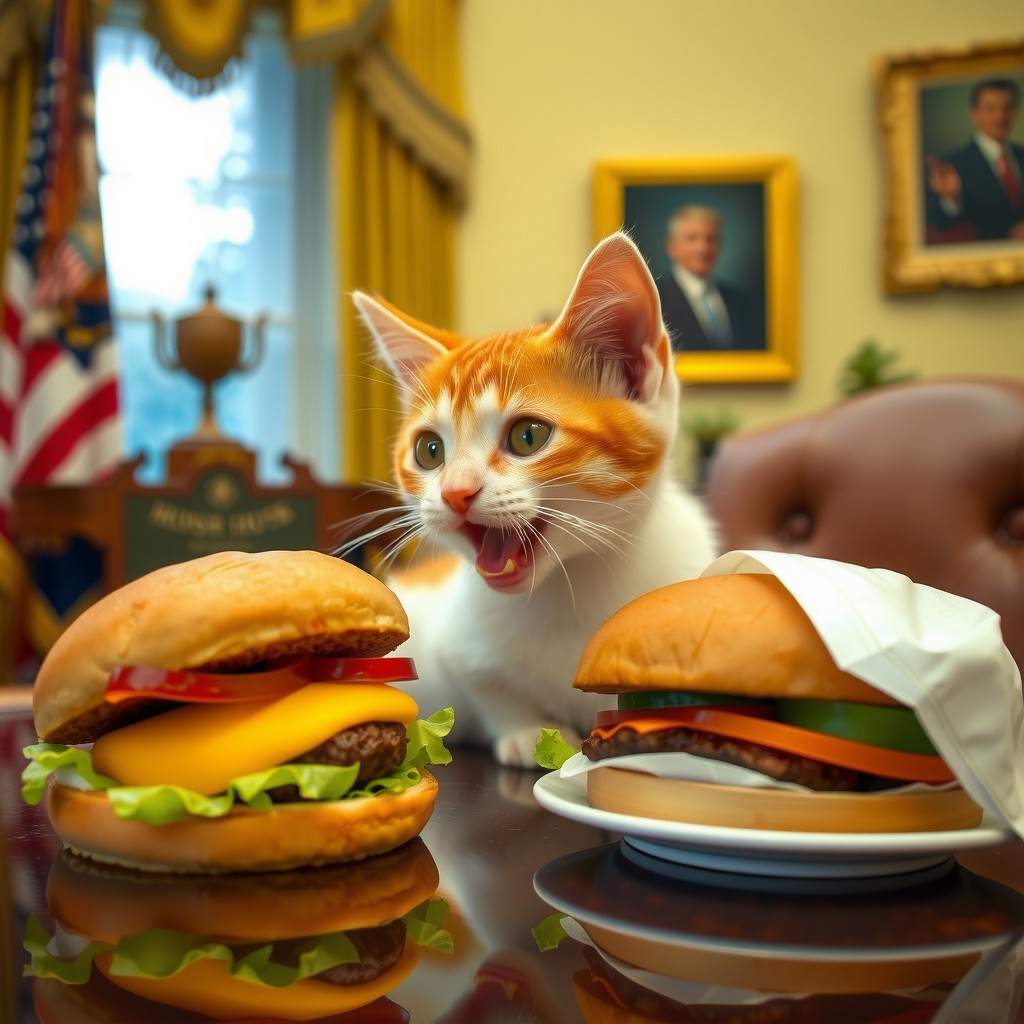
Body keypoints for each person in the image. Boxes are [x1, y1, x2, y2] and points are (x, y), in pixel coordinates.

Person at [925, 78, 1024, 243]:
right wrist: (952, 199)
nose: (1000, 117)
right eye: (990, 108)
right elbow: (940, 225)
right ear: (974, 113)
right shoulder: (952, 165)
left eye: (1007, 108)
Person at [655, 205, 763, 353]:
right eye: (692, 238)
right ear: (671, 247)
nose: (703, 248)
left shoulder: (741, 301)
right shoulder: (654, 300)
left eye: (711, 239)